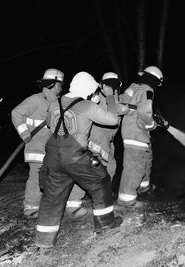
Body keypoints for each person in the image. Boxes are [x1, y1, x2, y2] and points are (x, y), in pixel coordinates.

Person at [35, 71, 124, 248]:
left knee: (52, 196)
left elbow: (48, 123)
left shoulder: (55, 103)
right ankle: (105, 224)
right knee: (101, 181)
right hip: (75, 156)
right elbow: (113, 120)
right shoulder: (86, 106)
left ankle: (44, 240)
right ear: (89, 90)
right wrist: (109, 98)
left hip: (53, 156)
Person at [11, 68, 86, 218]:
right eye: (60, 84)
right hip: (37, 149)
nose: (62, 87)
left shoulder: (59, 102)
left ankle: (72, 205)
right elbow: (16, 113)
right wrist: (25, 134)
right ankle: (31, 208)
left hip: (55, 149)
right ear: (54, 84)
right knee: (36, 178)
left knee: (68, 173)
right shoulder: (35, 100)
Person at [116, 66, 165, 208]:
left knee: (141, 161)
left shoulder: (133, 88)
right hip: (137, 132)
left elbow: (122, 101)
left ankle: (142, 188)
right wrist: (153, 125)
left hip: (129, 130)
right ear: (155, 81)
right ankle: (127, 200)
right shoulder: (148, 91)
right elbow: (144, 115)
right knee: (135, 166)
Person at [88, 72, 123, 181]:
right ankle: (100, 193)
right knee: (102, 169)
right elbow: (113, 115)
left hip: (107, 140)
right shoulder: (99, 99)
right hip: (98, 140)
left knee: (109, 166)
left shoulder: (113, 98)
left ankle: (102, 193)